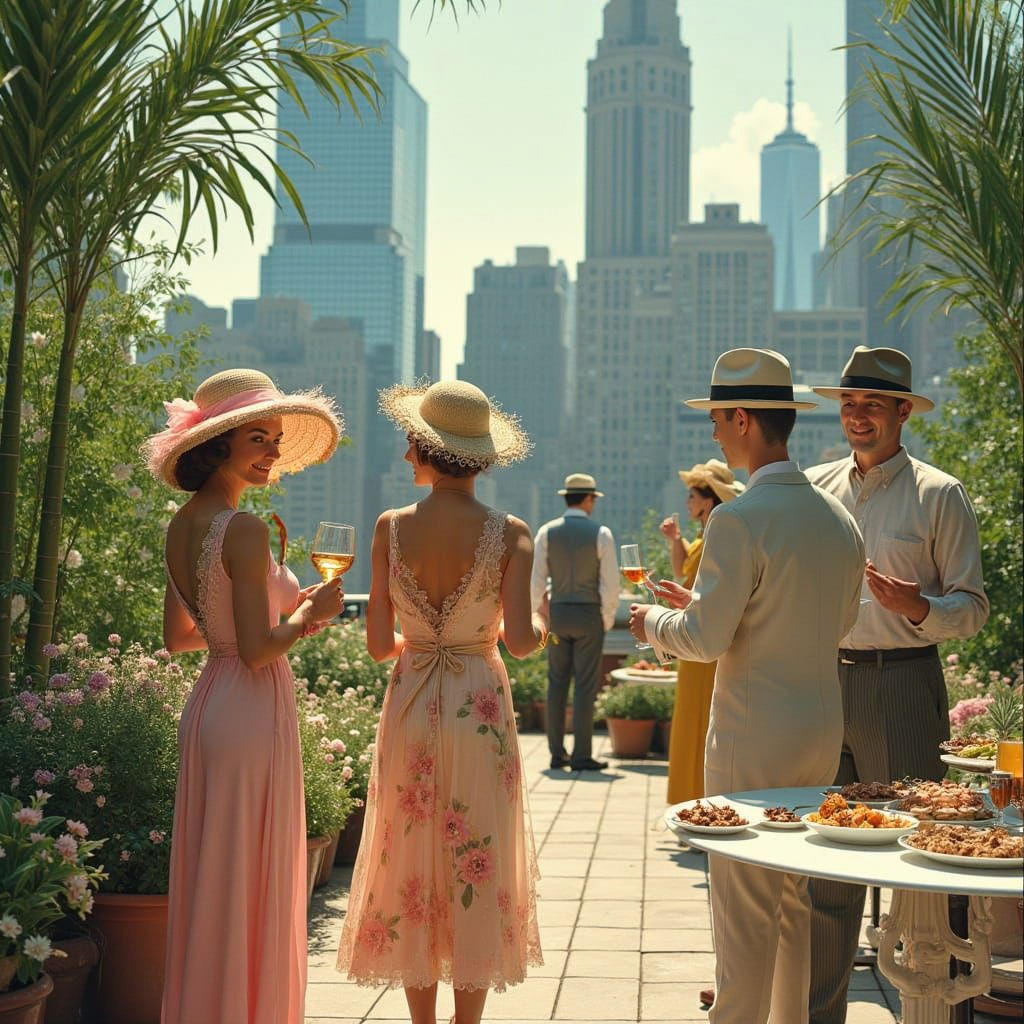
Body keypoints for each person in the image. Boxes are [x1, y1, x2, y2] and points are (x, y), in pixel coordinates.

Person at [629, 348, 865, 1024]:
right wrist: (700, 607)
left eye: (716, 420)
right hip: (820, 729)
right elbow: (838, 621)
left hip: (751, 736)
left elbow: (704, 640)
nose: (711, 434)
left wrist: (650, 621)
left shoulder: (738, 519)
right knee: (792, 905)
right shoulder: (838, 518)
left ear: (740, 419)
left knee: (741, 921)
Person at [337, 380, 546, 1024]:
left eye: (410, 444)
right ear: (481, 456)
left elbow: (377, 646)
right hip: (478, 703)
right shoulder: (511, 534)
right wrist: (538, 622)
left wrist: (420, 640)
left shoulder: (389, 528)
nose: (405, 457)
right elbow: (520, 643)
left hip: (411, 697)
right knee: (476, 850)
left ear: (426, 449)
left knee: (409, 851)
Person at [145, 368, 344, 1024]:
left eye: (276, 439)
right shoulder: (244, 529)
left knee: (216, 878)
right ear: (218, 443)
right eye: (258, 437)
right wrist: (311, 615)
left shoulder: (182, 525)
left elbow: (181, 637)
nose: (271, 452)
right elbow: (260, 651)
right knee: (251, 875)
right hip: (252, 708)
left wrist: (250, 626)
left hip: (209, 707)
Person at [805, 346, 989, 1024]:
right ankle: (819, 1016)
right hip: (826, 687)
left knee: (925, 857)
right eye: (849, 404)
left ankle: (941, 1013)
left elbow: (972, 607)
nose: (857, 416)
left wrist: (918, 608)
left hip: (904, 686)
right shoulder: (816, 488)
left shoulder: (939, 494)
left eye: (873, 406)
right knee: (824, 860)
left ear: (904, 412)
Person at [658, 460, 744, 805]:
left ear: (708, 500)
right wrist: (675, 539)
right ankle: (692, 799)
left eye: (692, 496)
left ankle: (698, 798)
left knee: (699, 724)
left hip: (704, 642)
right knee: (692, 721)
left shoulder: (718, 533)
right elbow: (683, 570)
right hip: (695, 640)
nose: (688, 502)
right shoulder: (704, 533)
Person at [530, 473, 619, 771]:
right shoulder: (601, 533)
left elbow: (537, 583)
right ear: (588, 499)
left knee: (556, 683)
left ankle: (557, 754)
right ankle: (582, 755)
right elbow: (610, 587)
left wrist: (541, 616)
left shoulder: (546, 532)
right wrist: (605, 620)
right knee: (585, 686)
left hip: (558, 615)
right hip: (588, 613)